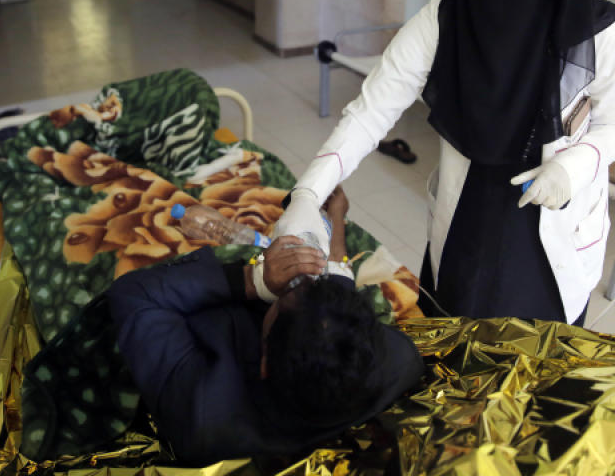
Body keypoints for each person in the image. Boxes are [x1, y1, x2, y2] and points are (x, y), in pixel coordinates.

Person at [274, 0, 615, 326]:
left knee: (535, 360)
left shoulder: (602, 34)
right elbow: (371, 112)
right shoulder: (444, 20)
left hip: (553, 213)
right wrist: (309, 193)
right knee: (453, 333)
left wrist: (578, 164)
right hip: (470, 208)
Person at [107, 187, 423, 465]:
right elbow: (336, 308)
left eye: (283, 297)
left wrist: (253, 281)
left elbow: (131, 295)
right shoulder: (397, 361)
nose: (293, 284)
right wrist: (336, 218)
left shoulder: (204, 413)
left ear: (263, 363)